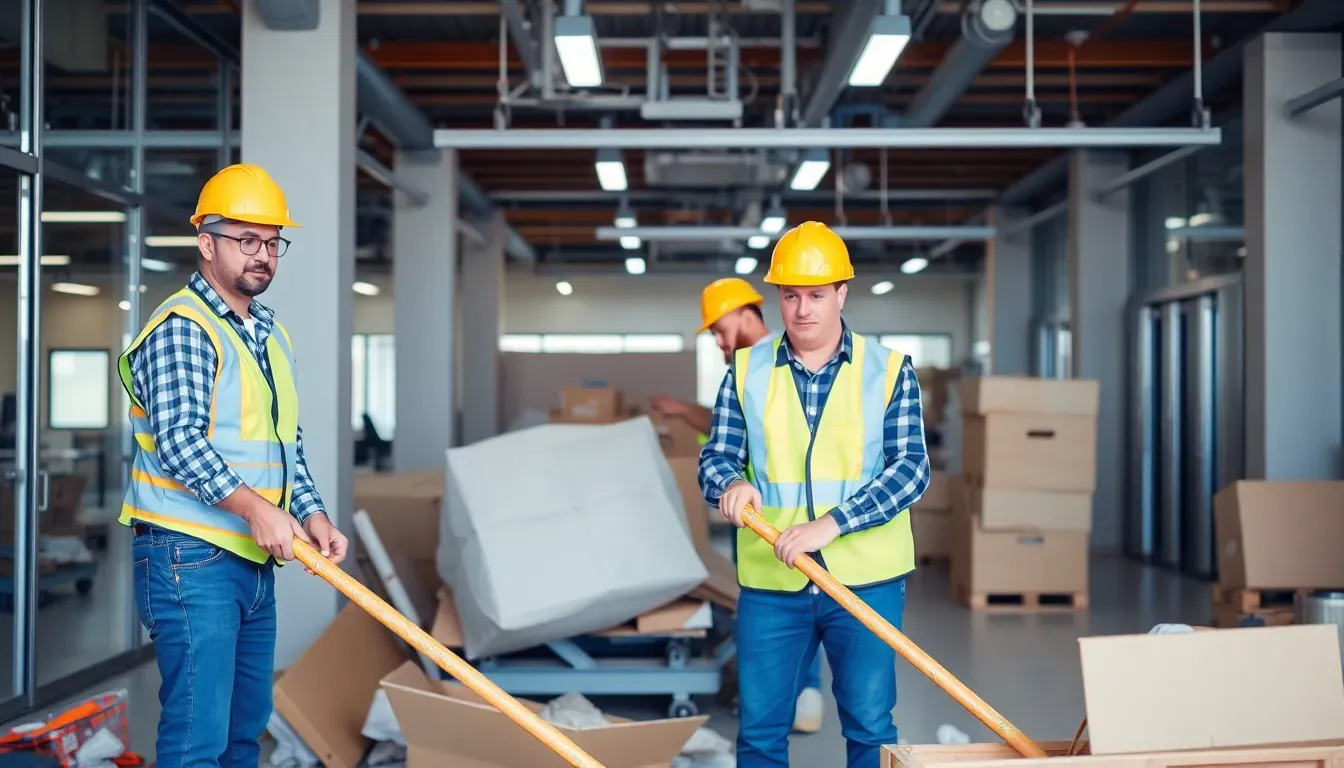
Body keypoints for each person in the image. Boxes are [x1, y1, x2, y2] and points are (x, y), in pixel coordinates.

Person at [117, 163, 348, 768]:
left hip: (248, 558)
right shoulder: (183, 329)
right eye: (247, 240)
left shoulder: (267, 332)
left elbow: (283, 442)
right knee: (199, 741)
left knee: (246, 732)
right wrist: (256, 509)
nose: (263, 255)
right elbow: (180, 441)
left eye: (273, 242)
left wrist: (310, 513)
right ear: (207, 243)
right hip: (189, 558)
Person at [698, 221, 930, 768]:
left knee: (872, 730)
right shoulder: (745, 370)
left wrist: (835, 522)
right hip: (772, 583)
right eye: (791, 295)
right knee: (758, 734)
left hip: (866, 581)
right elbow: (717, 456)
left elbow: (911, 470)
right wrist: (728, 483)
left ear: (842, 293)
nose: (803, 309)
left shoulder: (889, 370)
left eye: (817, 295)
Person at [649, 277, 828, 734]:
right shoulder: (748, 368)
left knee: (798, 599)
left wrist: (681, 409)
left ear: (746, 313)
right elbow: (729, 438)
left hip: (789, 519)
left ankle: (801, 693)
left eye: (718, 328)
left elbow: (722, 426)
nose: (716, 340)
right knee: (768, 598)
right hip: (752, 514)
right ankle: (783, 691)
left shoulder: (772, 366)